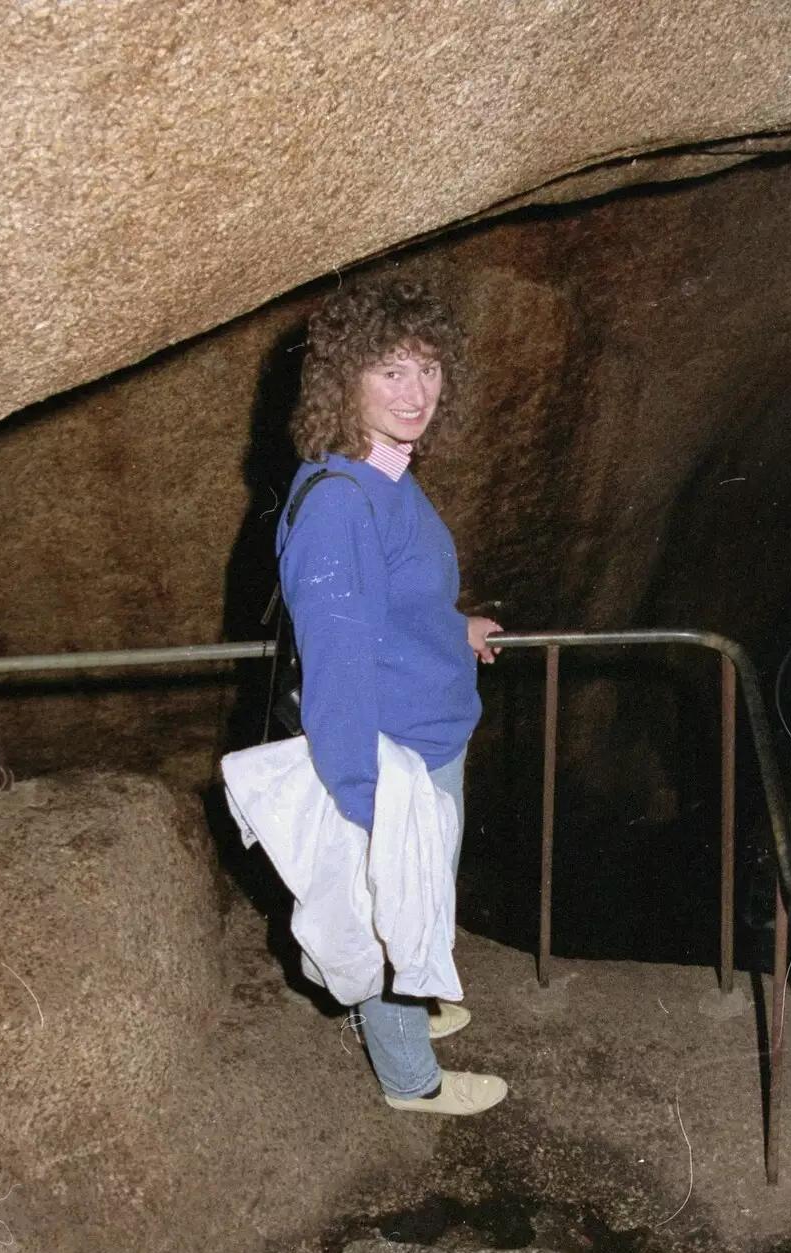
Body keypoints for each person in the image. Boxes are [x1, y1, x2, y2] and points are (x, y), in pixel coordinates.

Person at [277, 278, 507, 1116]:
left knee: (417, 899)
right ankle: (410, 1078)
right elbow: (337, 671)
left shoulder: (383, 476)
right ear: (346, 382)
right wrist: (367, 804)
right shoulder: (341, 507)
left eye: (430, 370)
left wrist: (456, 629)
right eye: (391, 373)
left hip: (428, 729)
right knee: (391, 907)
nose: (418, 394)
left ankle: (404, 1001)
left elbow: (391, 613)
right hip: (397, 750)